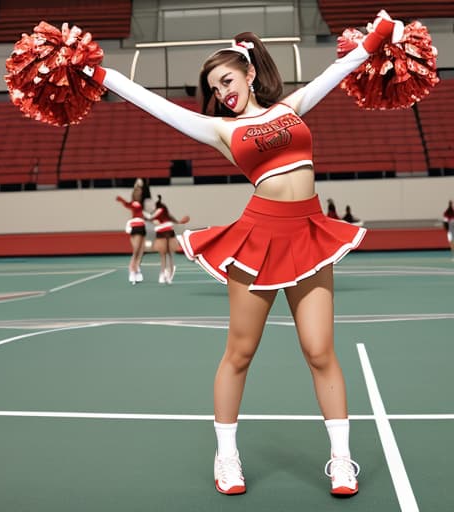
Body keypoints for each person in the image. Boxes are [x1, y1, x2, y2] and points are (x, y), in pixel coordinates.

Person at [80, 9, 403, 496]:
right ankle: (226, 457)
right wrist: (97, 73)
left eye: (227, 80)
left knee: (319, 352)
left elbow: (336, 72)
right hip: (258, 238)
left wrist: (374, 41)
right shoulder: (219, 130)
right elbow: (150, 103)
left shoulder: (291, 107)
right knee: (239, 353)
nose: (223, 93)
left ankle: (341, 459)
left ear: (250, 73)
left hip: (309, 234)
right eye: (214, 89)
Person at [116, 178, 152, 284]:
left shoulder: (140, 204)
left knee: (141, 251)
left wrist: (141, 185)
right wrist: (121, 199)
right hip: (136, 227)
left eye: (140, 193)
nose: (139, 194)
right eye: (138, 193)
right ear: (134, 194)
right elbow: (127, 204)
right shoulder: (133, 204)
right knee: (136, 251)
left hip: (142, 227)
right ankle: (132, 270)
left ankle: (137, 270)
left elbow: (145, 194)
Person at [148, 194, 190, 284]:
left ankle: (162, 275)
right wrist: (181, 222)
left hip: (162, 231)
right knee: (170, 255)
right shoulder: (166, 212)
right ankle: (169, 277)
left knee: (163, 255)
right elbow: (175, 222)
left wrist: (154, 221)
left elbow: (150, 218)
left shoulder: (158, 210)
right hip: (170, 230)